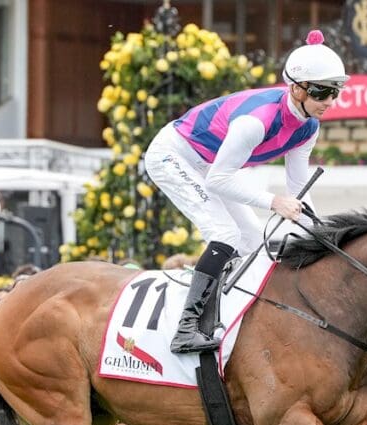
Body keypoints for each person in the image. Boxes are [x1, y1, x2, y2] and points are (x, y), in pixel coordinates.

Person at [144, 29, 348, 353]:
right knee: (225, 234)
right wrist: (274, 202)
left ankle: (232, 321)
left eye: (335, 92)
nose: (330, 102)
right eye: (322, 92)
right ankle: (186, 328)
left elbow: (298, 189)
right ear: (297, 88)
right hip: (174, 155)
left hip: (213, 165)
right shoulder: (256, 121)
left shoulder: (308, 127)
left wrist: (320, 234)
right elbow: (218, 180)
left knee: (253, 242)